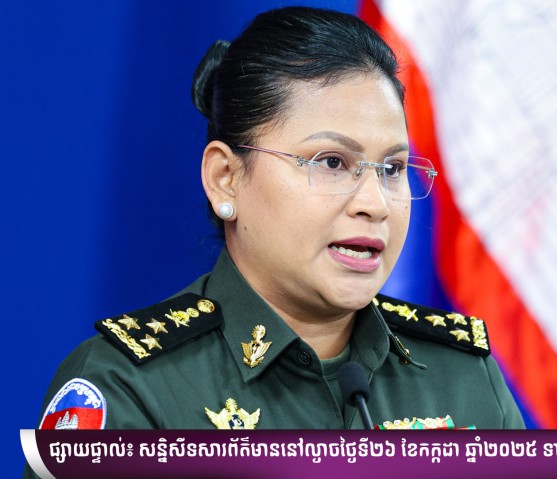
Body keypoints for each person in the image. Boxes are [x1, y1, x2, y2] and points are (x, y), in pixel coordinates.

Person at [30, 6, 524, 437]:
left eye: (392, 169)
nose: (375, 204)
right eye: (332, 162)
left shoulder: (464, 377)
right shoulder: (128, 387)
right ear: (225, 179)